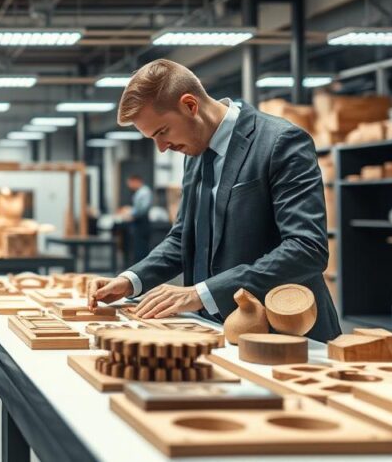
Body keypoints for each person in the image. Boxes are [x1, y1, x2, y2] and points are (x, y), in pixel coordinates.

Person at [89, 59, 341, 342]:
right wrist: (130, 280)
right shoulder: (194, 154)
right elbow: (183, 238)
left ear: (190, 105)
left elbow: (306, 248)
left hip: (283, 332)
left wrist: (202, 293)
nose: (161, 148)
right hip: (215, 330)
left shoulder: (280, 142)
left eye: (162, 132)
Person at [118, 174, 153, 264]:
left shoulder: (144, 192)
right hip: (138, 222)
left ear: (136, 181)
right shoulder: (140, 192)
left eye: (130, 183)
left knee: (141, 247)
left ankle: (142, 267)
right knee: (138, 246)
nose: (129, 186)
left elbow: (142, 209)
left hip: (142, 223)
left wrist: (130, 213)